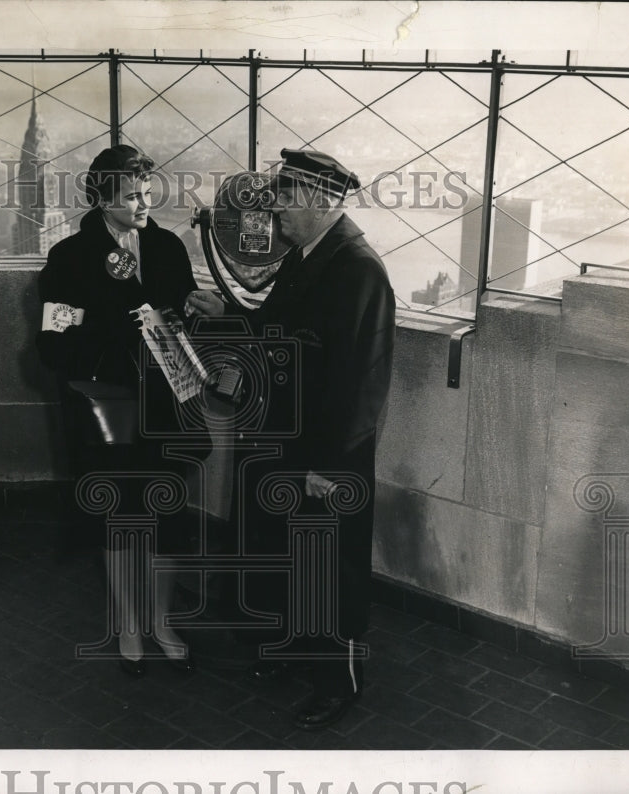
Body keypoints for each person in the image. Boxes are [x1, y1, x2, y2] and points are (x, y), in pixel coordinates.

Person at [186, 148, 395, 730]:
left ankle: (338, 683)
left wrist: (331, 468)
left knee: (329, 571)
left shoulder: (359, 270)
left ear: (323, 202)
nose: (273, 204)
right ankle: (290, 654)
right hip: (284, 444)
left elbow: (365, 383)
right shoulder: (310, 258)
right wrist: (225, 310)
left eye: (285, 195)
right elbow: (276, 331)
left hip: (325, 458)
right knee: (288, 558)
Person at [37, 144, 206, 677]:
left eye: (147, 192)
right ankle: (130, 625)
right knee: (119, 519)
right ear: (101, 198)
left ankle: (160, 622)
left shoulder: (168, 247)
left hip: (166, 406)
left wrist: (189, 316)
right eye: (131, 196)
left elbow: (183, 315)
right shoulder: (67, 258)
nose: (144, 203)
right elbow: (52, 344)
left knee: (167, 516)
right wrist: (115, 330)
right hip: (109, 410)